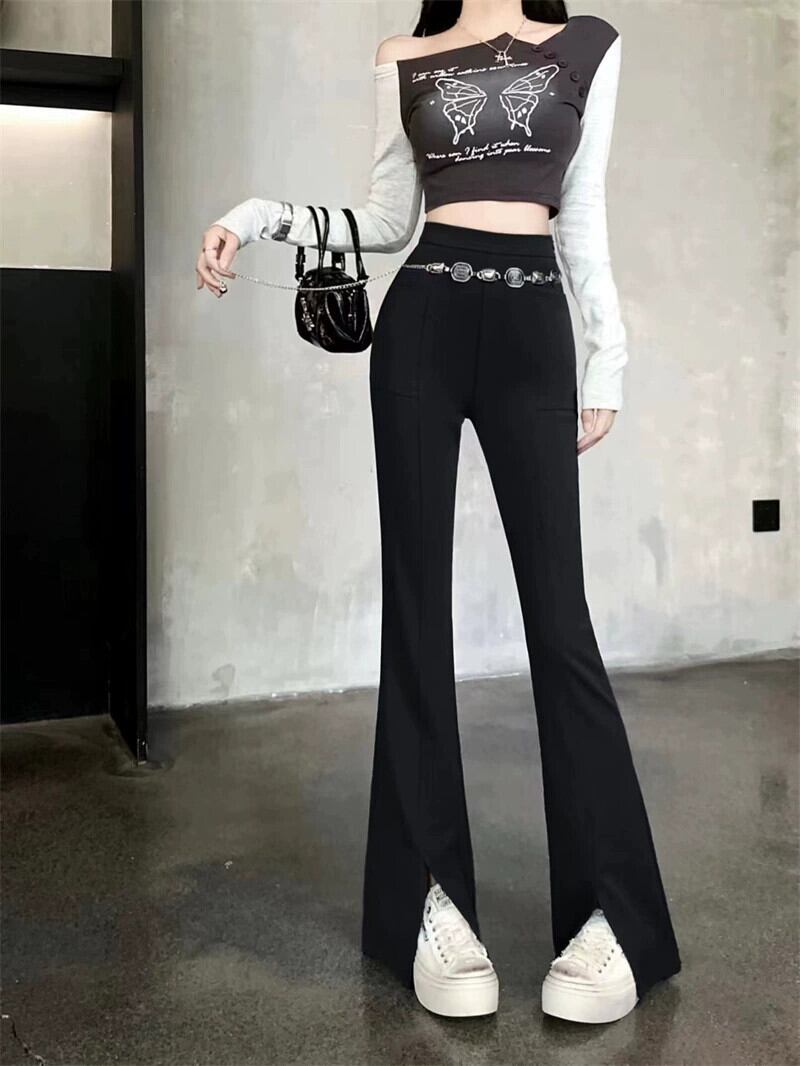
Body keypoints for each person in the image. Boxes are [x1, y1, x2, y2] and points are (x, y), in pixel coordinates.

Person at [196, 0, 682, 1025]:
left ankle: (614, 915)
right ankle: (431, 899)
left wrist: (608, 359)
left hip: (531, 329)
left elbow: (581, 213)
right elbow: (386, 221)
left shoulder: (588, 46)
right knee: (416, 615)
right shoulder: (404, 56)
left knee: (560, 622)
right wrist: (255, 214)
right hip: (418, 325)